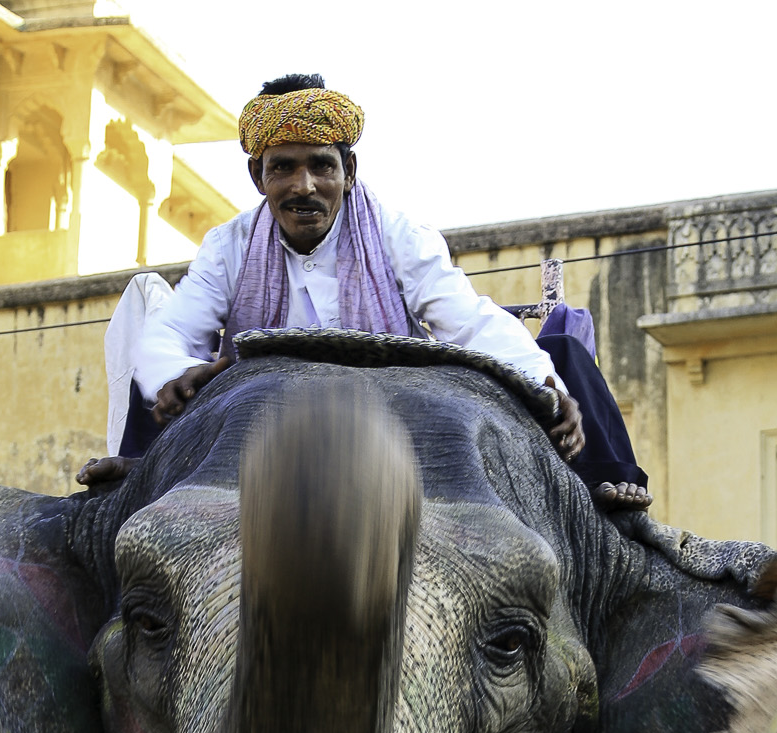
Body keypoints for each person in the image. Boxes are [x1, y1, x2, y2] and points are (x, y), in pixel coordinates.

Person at [84, 73, 649, 510]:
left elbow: (468, 321)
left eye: (320, 167)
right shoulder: (228, 245)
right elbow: (173, 330)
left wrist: (547, 386)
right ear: (259, 179)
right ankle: (144, 468)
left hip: (390, 417)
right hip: (261, 422)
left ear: (348, 171)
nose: (303, 186)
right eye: (283, 168)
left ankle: (614, 500)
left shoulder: (397, 234)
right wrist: (174, 376)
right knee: (154, 358)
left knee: (562, 359)